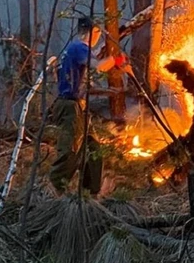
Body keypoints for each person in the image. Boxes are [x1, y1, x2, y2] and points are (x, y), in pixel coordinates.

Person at [48, 16, 131, 194]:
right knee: (71, 151)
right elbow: (99, 66)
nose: (98, 37)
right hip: (70, 106)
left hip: (78, 105)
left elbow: (82, 79)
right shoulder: (79, 47)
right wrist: (117, 60)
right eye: (97, 33)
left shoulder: (73, 49)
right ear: (91, 32)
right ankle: (53, 189)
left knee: (93, 147)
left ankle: (89, 193)